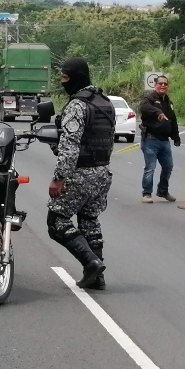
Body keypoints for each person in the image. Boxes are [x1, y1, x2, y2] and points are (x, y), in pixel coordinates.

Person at [47, 57, 115, 290]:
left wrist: (59, 178)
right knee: (89, 221)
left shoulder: (77, 105)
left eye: (65, 77)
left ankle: (91, 263)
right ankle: (97, 278)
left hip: (80, 174)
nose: (62, 81)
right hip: (102, 173)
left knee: (56, 221)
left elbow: (70, 146)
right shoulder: (105, 102)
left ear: (76, 76)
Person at [139, 75, 180, 203]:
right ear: (154, 85)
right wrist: (157, 112)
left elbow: (173, 120)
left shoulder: (168, 102)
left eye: (165, 84)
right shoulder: (148, 99)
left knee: (168, 166)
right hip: (151, 139)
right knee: (150, 168)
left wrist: (176, 136)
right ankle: (146, 194)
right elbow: (143, 108)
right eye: (160, 83)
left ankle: (163, 191)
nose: (163, 86)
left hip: (164, 141)